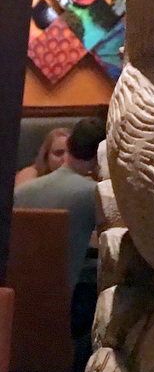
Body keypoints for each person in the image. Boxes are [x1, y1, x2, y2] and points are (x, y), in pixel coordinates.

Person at [14, 117, 105, 294]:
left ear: (69, 145)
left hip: (15, 296)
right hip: (66, 298)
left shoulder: (21, 192)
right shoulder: (96, 193)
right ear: (101, 155)